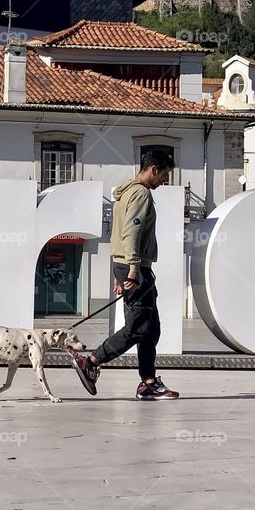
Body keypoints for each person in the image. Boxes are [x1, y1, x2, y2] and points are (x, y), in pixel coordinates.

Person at [70, 149, 180, 400]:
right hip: (136, 267)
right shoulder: (141, 193)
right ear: (154, 169)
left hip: (127, 265)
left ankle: (149, 383)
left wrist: (119, 270)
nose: (164, 181)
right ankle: (92, 361)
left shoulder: (126, 191)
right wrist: (131, 268)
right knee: (138, 328)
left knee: (151, 329)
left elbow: (116, 233)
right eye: (164, 175)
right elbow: (132, 232)